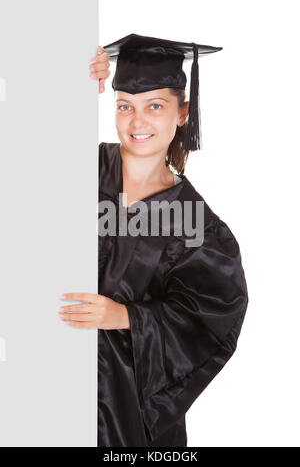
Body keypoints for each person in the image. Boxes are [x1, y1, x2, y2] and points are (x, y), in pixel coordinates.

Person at [60, 34, 249, 447]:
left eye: (155, 106)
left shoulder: (195, 222)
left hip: (128, 414)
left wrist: (124, 316)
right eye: (124, 106)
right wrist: (68, 90)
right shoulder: (80, 166)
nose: (137, 122)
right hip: (48, 387)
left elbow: (213, 317)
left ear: (182, 113)